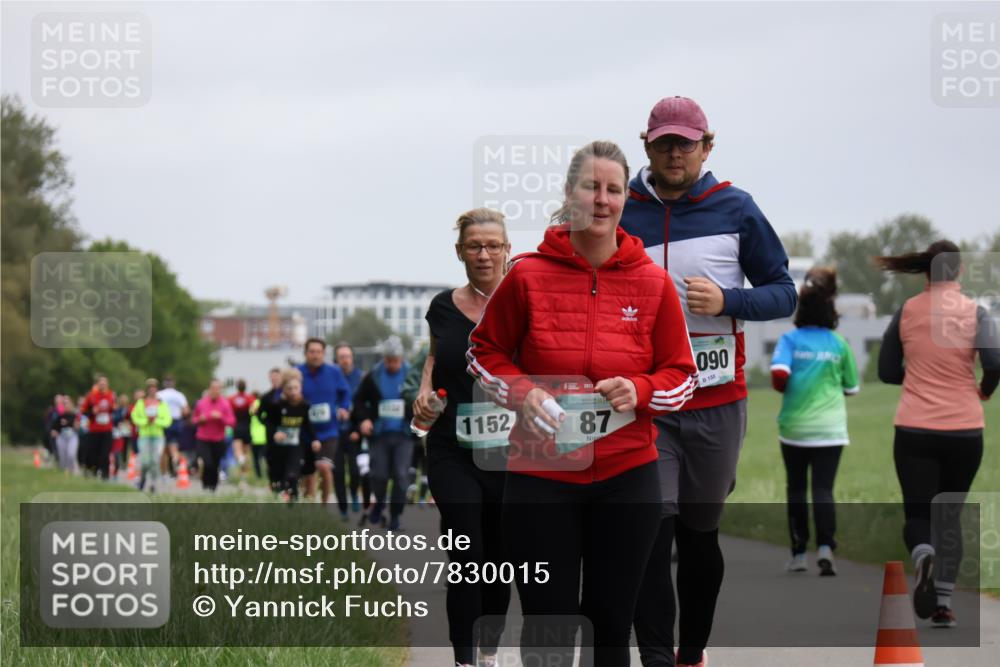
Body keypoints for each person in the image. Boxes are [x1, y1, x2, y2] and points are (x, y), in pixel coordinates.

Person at [468, 141, 698, 666]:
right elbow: (483, 352)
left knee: (610, 628)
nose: (602, 199)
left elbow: (681, 376)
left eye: (613, 189)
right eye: (590, 187)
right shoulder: (526, 275)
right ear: (569, 194)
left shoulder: (654, 282)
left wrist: (639, 390)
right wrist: (524, 394)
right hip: (540, 478)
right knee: (548, 626)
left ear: (625, 199)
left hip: (627, 476)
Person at [621, 97, 797, 667]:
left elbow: (783, 291)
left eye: (686, 142)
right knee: (653, 529)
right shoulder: (619, 209)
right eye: (665, 141)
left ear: (707, 146)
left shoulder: (737, 208)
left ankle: (691, 651)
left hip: (717, 402)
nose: (676, 152)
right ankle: (656, 658)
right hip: (648, 402)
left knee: (699, 533)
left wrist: (729, 300)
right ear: (646, 144)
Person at [877, 240, 999, 628]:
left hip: (914, 427)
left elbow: (885, 370)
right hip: (964, 429)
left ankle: (923, 555)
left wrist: (913, 376)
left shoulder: (907, 311)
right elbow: (995, 362)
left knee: (918, 513)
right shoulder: (976, 312)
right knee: (950, 515)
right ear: (960, 272)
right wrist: (984, 390)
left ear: (926, 272)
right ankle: (943, 605)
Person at [412, 207, 513, 667]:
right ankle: (465, 659)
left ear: (508, 250)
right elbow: (435, 360)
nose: (485, 254)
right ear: (460, 252)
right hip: (453, 446)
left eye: (494, 245)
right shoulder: (442, 307)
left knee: (499, 559)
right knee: (466, 552)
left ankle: (488, 652)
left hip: (513, 451)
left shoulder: (525, 299)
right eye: (475, 246)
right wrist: (425, 391)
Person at [770, 267, 859, 575]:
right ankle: (825, 548)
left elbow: (779, 374)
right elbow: (852, 388)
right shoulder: (839, 344)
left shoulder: (790, 340)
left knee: (796, 489)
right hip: (831, 430)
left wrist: (791, 385)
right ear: (830, 311)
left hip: (794, 428)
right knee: (823, 490)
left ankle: (798, 554)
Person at [354, 335, 413, 530]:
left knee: (401, 475)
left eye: (395, 360)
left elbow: (421, 399)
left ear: (402, 358)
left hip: (404, 434)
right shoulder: (374, 375)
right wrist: (364, 420)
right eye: (388, 360)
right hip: (380, 434)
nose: (392, 364)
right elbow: (359, 401)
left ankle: (395, 516)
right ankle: (379, 502)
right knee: (379, 475)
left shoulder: (412, 375)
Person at [297, 338, 352, 511]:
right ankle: (308, 506)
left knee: (324, 467)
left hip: (329, 431)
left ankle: (324, 505)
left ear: (324, 353)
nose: (315, 355)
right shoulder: (297, 372)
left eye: (318, 352)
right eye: (311, 352)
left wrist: (343, 408)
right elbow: (284, 392)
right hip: (305, 432)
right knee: (308, 474)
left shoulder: (334, 372)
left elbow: (345, 393)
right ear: (306, 353)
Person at [262, 368, 322, 502]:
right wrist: (275, 433)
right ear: (284, 389)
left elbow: (307, 424)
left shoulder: (304, 405)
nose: (293, 392)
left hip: (295, 446)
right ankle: (281, 499)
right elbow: (267, 421)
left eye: (296, 388)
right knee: (278, 479)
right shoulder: (276, 405)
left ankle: (293, 503)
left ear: (300, 387)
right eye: (290, 389)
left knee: (292, 475)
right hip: (277, 448)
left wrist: (315, 440)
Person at [335, 342, 366, 513]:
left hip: (354, 431)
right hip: (335, 432)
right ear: (337, 359)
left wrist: (358, 428)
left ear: (352, 358)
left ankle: (354, 493)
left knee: (355, 470)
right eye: (341, 357)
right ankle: (342, 507)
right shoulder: (333, 377)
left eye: (347, 356)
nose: (345, 360)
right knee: (338, 472)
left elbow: (364, 405)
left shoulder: (360, 377)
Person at [192, 378, 236, 492]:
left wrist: (221, 417)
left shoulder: (225, 404)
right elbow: (194, 419)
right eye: (213, 388)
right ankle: (206, 484)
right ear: (209, 389)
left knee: (215, 464)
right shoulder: (201, 403)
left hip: (218, 439)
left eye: (217, 388)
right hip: (203, 438)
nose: (215, 390)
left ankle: (212, 488)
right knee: (208, 462)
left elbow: (232, 422)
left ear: (220, 390)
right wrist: (200, 419)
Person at [131, 378, 173, 493]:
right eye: (150, 387)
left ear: (157, 389)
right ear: (147, 389)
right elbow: (134, 417)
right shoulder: (141, 403)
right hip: (144, 435)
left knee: (155, 460)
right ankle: (142, 479)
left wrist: (156, 421)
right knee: (145, 461)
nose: (152, 390)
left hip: (158, 436)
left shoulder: (161, 403)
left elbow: (167, 420)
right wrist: (145, 421)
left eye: (154, 387)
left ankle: (154, 483)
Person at [80, 374, 117, 479]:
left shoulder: (111, 395)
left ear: (107, 384)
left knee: (105, 454)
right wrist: (92, 412)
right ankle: (94, 471)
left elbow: (115, 410)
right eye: (101, 383)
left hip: (107, 429)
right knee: (93, 453)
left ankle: (105, 476)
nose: (102, 385)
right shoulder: (91, 396)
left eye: (104, 383)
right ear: (98, 384)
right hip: (94, 430)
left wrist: (113, 409)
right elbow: (83, 411)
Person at [254, 367, 284, 492]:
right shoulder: (266, 397)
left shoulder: (288, 394)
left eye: (277, 377)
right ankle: (274, 483)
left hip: (288, 431)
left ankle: (285, 483)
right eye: (273, 377)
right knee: (271, 458)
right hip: (271, 432)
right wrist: (267, 425)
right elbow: (259, 414)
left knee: (285, 458)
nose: (275, 379)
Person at [158, 375, 190, 476]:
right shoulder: (179, 395)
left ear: (164, 383)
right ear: (173, 383)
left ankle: (164, 473)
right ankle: (175, 460)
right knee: (174, 447)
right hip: (176, 421)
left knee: (163, 449)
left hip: (163, 422)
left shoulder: (159, 395)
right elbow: (186, 411)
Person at [228, 378, 255, 483]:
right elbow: (254, 410)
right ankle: (244, 476)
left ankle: (241, 459)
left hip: (237, 427)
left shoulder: (231, 399)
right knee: (246, 452)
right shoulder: (250, 398)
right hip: (247, 427)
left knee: (237, 451)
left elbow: (228, 411)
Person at [49, 395, 78, 473]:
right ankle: (63, 472)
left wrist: (76, 426)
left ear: (71, 404)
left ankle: (72, 470)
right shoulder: (60, 416)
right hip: (62, 438)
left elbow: (79, 426)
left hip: (72, 437)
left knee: (71, 454)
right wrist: (54, 431)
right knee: (63, 457)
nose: (66, 405)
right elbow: (54, 427)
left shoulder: (75, 415)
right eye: (64, 404)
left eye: (68, 403)